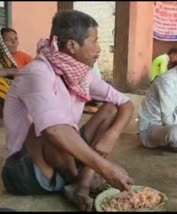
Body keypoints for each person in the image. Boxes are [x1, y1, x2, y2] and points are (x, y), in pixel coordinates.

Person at [1, 10, 134, 211]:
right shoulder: (37, 72)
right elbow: (54, 130)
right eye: (95, 41)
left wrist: (111, 136)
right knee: (51, 126)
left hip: (61, 158)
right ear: (72, 46)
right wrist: (106, 168)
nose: (99, 49)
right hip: (25, 170)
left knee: (111, 109)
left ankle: (81, 185)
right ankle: (76, 179)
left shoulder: (80, 73)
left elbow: (126, 103)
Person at [0, 27, 33, 114]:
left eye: (15, 39)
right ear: (1, 43)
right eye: (9, 39)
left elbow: (36, 71)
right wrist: (10, 71)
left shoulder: (23, 56)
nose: (14, 42)